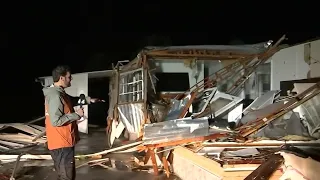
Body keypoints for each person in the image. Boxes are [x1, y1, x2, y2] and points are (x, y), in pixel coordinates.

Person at [43, 65, 99, 180]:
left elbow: (72, 100)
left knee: (66, 176)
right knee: (67, 177)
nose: (71, 79)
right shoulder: (55, 95)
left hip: (64, 142)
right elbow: (56, 121)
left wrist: (89, 100)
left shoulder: (60, 93)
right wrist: (77, 115)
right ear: (62, 78)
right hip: (61, 143)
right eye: (69, 77)